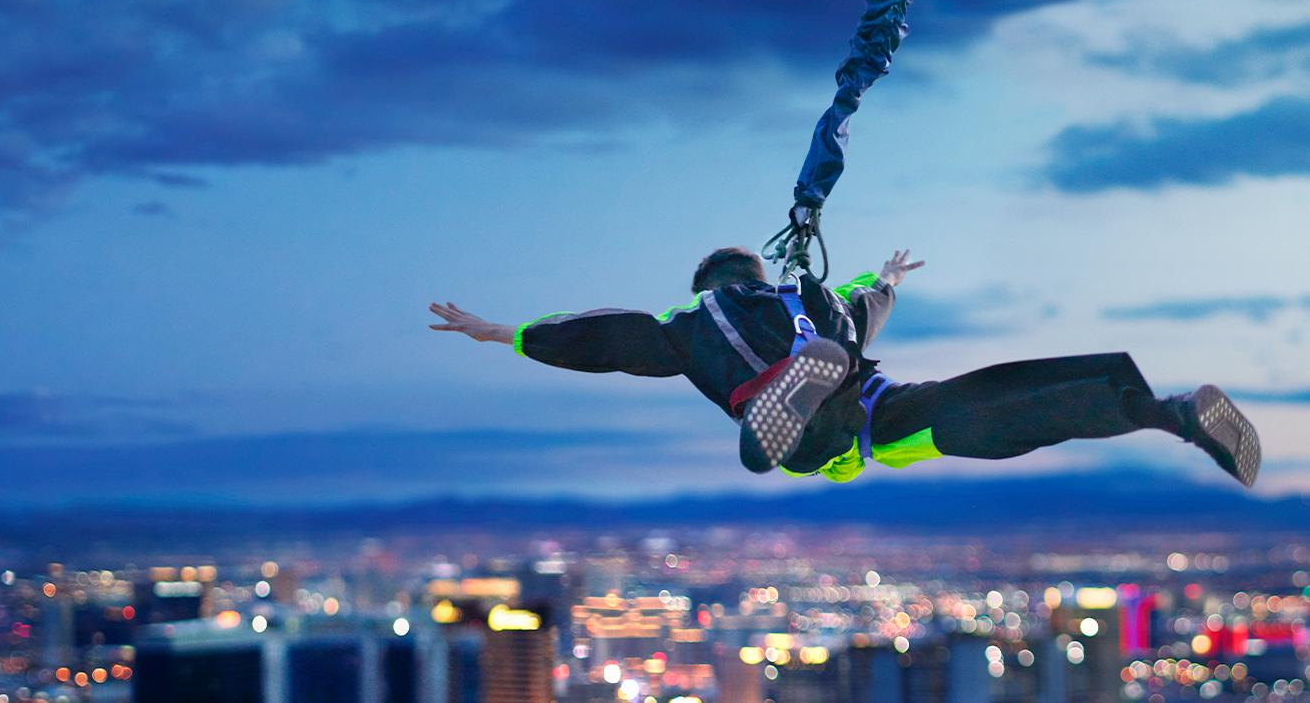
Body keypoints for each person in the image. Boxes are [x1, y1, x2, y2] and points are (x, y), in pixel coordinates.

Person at [428, 247, 1261, 487]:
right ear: (753, 275)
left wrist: (507, 333)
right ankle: (1167, 412)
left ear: (701, 286)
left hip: (809, 424)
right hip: (874, 402)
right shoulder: (805, 297)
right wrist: (887, 278)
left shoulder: (684, 325)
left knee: (773, 452)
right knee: (988, 413)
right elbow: (867, 300)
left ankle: (779, 411)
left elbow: (601, 337)